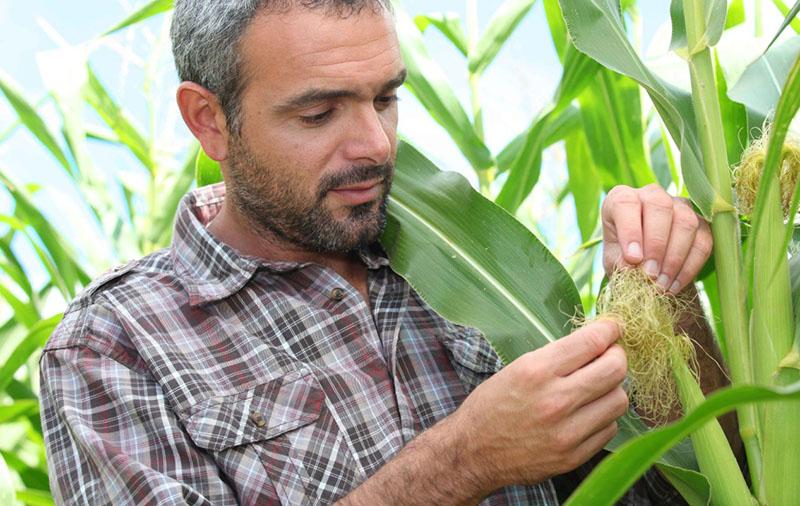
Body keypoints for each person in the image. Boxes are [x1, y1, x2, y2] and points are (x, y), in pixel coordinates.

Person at [39, 1, 716, 504]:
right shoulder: (114, 344)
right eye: (318, 114)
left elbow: (688, 482)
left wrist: (665, 290)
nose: (377, 144)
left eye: (385, 98)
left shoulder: (477, 267)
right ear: (209, 120)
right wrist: (462, 461)